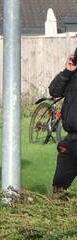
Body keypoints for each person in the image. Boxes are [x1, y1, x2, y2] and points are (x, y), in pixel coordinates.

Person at [50, 49, 77, 193]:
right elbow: (54, 91)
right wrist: (67, 72)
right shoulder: (72, 74)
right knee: (58, 188)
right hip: (71, 141)